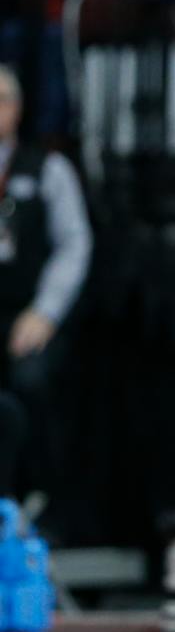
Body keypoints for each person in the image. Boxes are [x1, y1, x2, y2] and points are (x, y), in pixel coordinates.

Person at [0, 64, 92, 496]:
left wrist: (44, 312)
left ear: (17, 109)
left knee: (32, 379)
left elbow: (74, 246)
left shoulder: (48, 168)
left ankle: (41, 496)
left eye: (2, 99)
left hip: (28, 312)